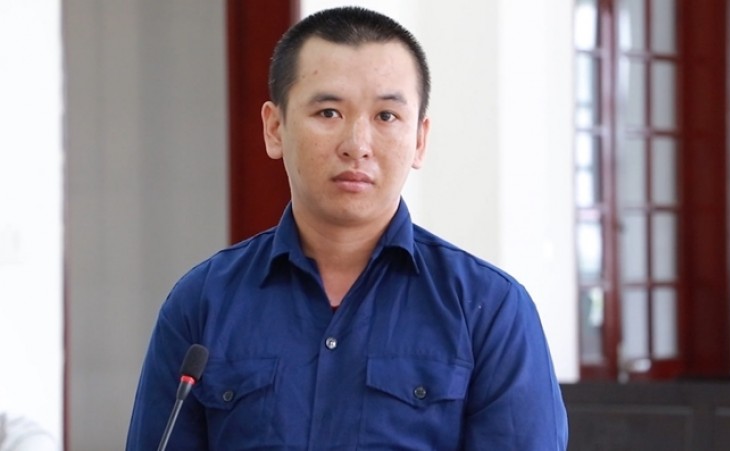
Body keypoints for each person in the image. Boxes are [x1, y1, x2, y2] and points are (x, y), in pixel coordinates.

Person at [126, 6, 568, 450]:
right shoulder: (202, 303)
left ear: (419, 139)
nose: (357, 145)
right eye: (328, 112)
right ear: (275, 128)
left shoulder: (489, 310)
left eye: (386, 116)